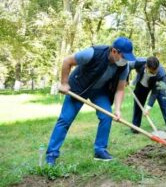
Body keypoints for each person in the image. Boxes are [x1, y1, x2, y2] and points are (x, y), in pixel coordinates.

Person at [46, 37, 136, 166]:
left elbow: (120, 89)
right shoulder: (93, 53)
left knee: (106, 116)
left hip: (99, 91)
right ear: (114, 51)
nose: (125, 60)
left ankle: (100, 150)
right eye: (124, 56)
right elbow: (67, 61)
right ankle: (51, 154)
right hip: (79, 88)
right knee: (65, 120)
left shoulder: (123, 66)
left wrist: (117, 110)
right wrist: (64, 83)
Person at [128, 56, 166, 133]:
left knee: (163, 102)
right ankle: (135, 127)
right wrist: (126, 79)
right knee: (138, 102)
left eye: (155, 71)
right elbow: (128, 66)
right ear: (146, 66)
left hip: (158, 85)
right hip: (142, 84)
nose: (154, 73)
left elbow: (155, 92)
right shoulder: (139, 62)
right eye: (152, 72)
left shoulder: (161, 75)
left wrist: (148, 107)